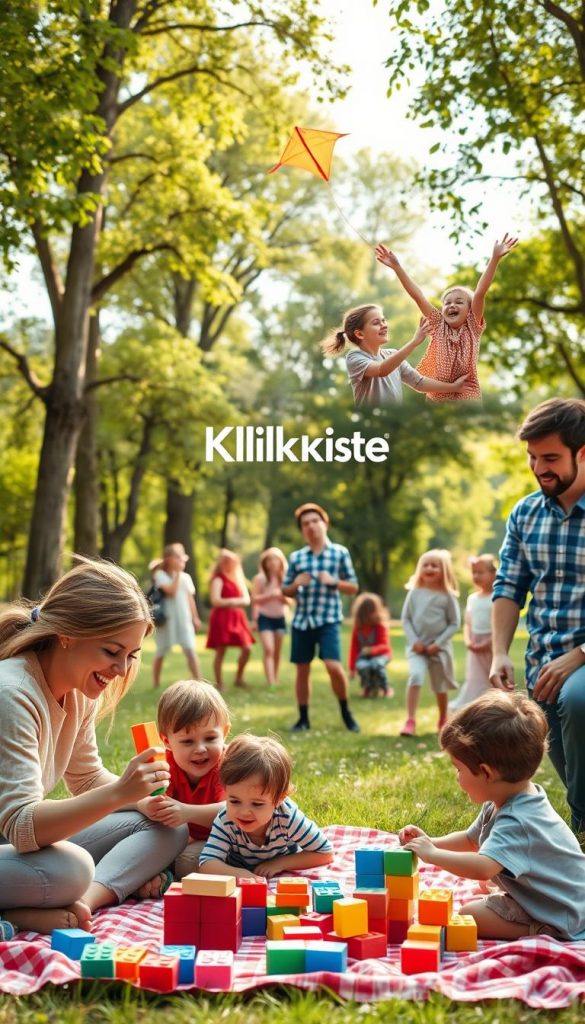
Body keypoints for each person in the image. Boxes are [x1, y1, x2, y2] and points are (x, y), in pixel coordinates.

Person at [0, 558, 188, 938]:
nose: (120, 669)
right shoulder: (13, 693)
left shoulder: (79, 689)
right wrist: (120, 791)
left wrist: (143, 800)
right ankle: (27, 910)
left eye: (131, 655)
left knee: (171, 826)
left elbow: (86, 779)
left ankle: (81, 903)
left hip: (13, 849)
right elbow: (20, 826)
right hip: (13, 838)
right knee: (71, 868)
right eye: (111, 651)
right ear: (67, 634)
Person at [400, 691, 585, 940]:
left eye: (459, 769)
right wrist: (430, 842)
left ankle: (542, 929)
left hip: (562, 911)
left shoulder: (519, 820)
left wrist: (432, 856)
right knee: (483, 894)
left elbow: (483, 868)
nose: (457, 777)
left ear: (486, 773)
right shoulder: (505, 799)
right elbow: (471, 840)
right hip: (554, 896)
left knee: (469, 914)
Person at [490, 398, 585, 834]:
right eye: (532, 457)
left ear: (581, 453)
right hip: (543, 662)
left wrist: (578, 655)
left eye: (550, 458)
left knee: (577, 699)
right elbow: (509, 587)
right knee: (570, 772)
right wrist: (498, 654)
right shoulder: (525, 513)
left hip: (578, 664)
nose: (538, 468)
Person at [375, 233, 518, 401]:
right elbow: (418, 296)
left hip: (467, 392)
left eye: (459, 302)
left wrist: (494, 259)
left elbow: (480, 293)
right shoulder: (438, 325)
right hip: (438, 395)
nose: (451, 306)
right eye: (447, 303)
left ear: (470, 310)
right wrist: (397, 267)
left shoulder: (472, 326)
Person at [199, 733, 333, 879]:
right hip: (241, 874)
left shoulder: (287, 816)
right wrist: (240, 874)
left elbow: (325, 853)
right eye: (234, 801)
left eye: (257, 804)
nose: (244, 812)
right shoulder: (226, 819)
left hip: (282, 874)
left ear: (280, 798)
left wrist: (278, 864)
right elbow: (207, 863)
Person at [138, 679, 229, 879]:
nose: (200, 749)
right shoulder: (164, 764)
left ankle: (159, 876)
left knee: (188, 862)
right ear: (166, 741)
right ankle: (152, 876)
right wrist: (151, 804)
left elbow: (233, 811)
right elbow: (150, 803)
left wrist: (187, 813)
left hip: (228, 842)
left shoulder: (228, 766)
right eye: (187, 741)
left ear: (225, 732)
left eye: (211, 738)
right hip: (185, 840)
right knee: (142, 844)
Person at [282, 503, 360, 733]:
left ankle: (346, 713)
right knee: (302, 670)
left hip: (328, 620)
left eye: (315, 521)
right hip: (302, 622)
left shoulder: (339, 553)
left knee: (333, 667)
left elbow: (353, 586)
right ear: (302, 530)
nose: (311, 526)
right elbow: (285, 590)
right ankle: (303, 718)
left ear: (324, 524)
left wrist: (333, 581)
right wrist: (295, 584)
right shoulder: (296, 558)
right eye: (306, 524)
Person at [321, 305, 472, 406]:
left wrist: (453, 387)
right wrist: (414, 342)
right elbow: (381, 370)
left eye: (383, 320)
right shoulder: (355, 358)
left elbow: (418, 382)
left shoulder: (392, 355)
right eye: (376, 323)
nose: (384, 325)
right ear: (360, 334)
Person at [400, 549, 460, 736]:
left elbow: (454, 623)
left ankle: (443, 719)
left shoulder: (447, 596)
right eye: (425, 564)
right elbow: (406, 619)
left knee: (440, 686)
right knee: (415, 677)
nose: (429, 568)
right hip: (417, 648)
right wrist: (414, 641)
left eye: (435, 565)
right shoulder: (414, 593)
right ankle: (410, 720)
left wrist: (438, 644)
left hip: (438, 650)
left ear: (444, 571)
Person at [449, 554, 497, 711]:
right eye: (474, 572)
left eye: (481, 572)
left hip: (492, 643)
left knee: (492, 674)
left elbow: (499, 624)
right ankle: (475, 705)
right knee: (475, 676)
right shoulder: (472, 598)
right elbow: (468, 623)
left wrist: (488, 641)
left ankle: (493, 704)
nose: (476, 576)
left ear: (493, 574)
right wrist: (468, 641)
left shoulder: (496, 598)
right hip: (475, 643)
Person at [150, 543, 201, 689]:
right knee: (161, 651)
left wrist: (195, 617)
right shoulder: (160, 575)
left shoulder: (186, 577)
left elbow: (190, 599)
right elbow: (172, 591)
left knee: (190, 650)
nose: (181, 560)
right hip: (167, 620)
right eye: (177, 557)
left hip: (183, 620)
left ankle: (198, 681)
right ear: (168, 559)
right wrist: (178, 573)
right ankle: (156, 683)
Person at [206, 549, 254, 691]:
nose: (228, 564)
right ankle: (219, 683)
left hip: (237, 617)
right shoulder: (218, 579)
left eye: (231, 561)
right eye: (225, 561)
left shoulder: (237, 577)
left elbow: (247, 599)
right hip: (222, 617)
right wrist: (235, 601)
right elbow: (216, 601)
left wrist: (232, 602)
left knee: (247, 648)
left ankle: (239, 678)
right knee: (221, 650)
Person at [251, 547, 288, 687]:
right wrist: (270, 595)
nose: (272, 563)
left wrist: (282, 597)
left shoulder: (285, 578)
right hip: (264, 618)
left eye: (275, 559)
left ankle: (275, 676)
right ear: (265, 563)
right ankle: (270, 681)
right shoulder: (260, 579)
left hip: (280, 618)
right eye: (269, 560)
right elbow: (254, 599)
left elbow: (290, 601)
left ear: (281, 561)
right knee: (269, 649)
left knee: (277, 651)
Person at [348, 592, 394, 698]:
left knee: (376, 664)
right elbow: (353, 649)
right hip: (364, 656)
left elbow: (385, 646)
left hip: (382, 655)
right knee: (363, 666)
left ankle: (385, 688)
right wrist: (352, 669)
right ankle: (367, 687)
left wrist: (372, 650)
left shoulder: (380, 627)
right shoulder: (357, 629)